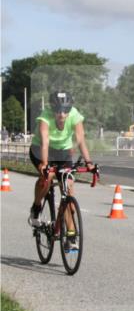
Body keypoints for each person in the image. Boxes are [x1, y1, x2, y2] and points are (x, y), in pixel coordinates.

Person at [29, 91, 94, 251]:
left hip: (63, 152)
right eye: (58, 110)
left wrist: (89, 162)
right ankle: (36, 208)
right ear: (52, 108)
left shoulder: (75, 115)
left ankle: (71, 236)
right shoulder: (45, 117)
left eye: (65, 110)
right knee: (48, 175)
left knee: (68, 190)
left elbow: (80, 140)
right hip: (41, 150)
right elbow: (45, 142)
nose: (62, 114)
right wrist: (44, 164)